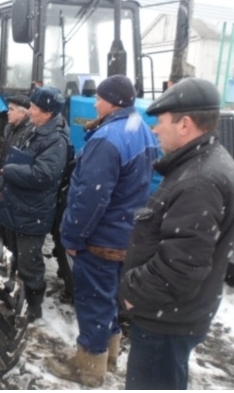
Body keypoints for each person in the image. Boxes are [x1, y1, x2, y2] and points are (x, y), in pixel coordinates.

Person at [119, 78, 234, 390]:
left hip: (167, 321)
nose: (156, 129)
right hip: (174, 315)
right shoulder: (204, 164)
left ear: (185, 124)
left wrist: (133, 293)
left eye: (161, 121)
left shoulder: (200, 180)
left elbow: (180, 268)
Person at [47, 74, 159, 387]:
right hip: (127, 233)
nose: (95, 103)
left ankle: (88, 367)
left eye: (99, 98)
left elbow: (90, 198)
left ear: (112, 101)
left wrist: (72, 237)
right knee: (109, 297)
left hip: (102, 238)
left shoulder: (106, 138)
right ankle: (109, 355)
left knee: (94, 300)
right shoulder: (143, 132)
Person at [0, 87, 70, 322]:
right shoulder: (34, 130)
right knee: (12, 259)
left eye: (34, 109)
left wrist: (9, 171)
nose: (30, 112)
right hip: (16, 206)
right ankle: (16, 299)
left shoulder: (56, 140)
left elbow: (43, 175)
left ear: (47, 113)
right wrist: (1, 184)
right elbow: (15, 156)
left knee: (29, 264)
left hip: (32, 212)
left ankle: (33, 308)